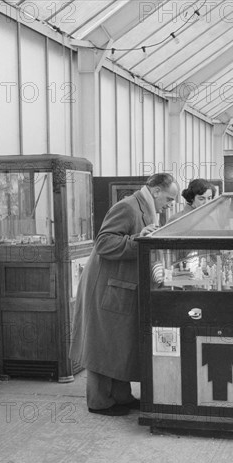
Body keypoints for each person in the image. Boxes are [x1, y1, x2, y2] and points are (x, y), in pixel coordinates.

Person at [70, 173, 179, 416]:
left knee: (119, 344)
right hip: (106, 285)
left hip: (120, 284)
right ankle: (99, 402)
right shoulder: (128, 207)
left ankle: (121, 396)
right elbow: (104, 243)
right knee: (103, 345)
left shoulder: (145, 208)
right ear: (156, 190)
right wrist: (139, 241)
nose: (170, 204)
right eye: (169, 199)